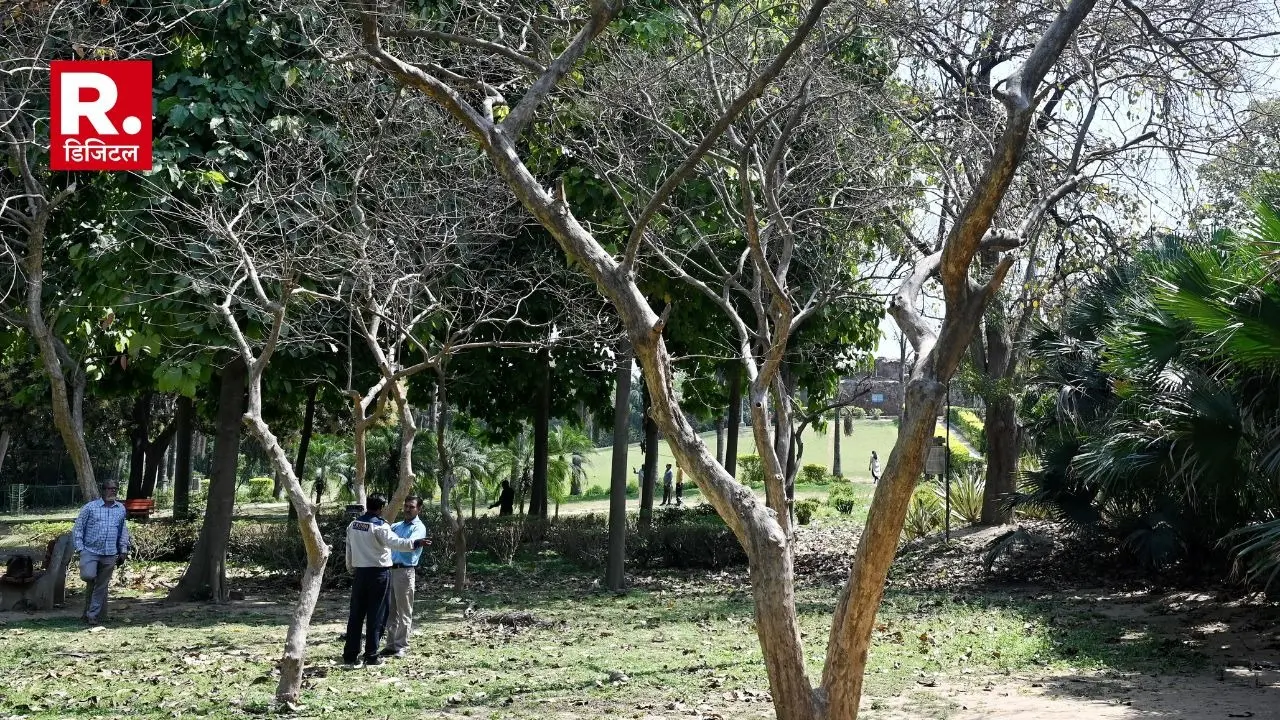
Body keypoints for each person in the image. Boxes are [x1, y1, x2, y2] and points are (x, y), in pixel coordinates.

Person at [343, 494, 428, 667]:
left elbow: (349, 549)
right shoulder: (381, 527)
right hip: (379, 574)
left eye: (410, 506)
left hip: (361, 574)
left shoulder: (353, 525)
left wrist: (351, 568)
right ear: (381, 508)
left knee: (356, 615)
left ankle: (351, 655)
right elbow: (396, 543)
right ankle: (371, 655)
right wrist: (416, 543)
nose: (406, 509)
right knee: (377, 615)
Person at [72, 480, 130, 625]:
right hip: (90, 551)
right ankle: (90, 610)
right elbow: (78, 528)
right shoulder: (90, 508)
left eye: (115, 489)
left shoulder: (120, 509)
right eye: (109, 488)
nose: (113, 491)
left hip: (110, 553)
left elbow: (123, 530)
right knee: (88, 575)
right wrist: (80, 548)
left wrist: (123, 550)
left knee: (102, 586)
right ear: (103, 490)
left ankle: (92, 614)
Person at [379, 496, 429, 658]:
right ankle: (391, 644)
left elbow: (410, 544)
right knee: (390, 610)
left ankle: (401, 645)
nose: (407, 509)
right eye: (406, 506)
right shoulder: (397, 526)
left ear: (419, 509)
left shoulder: (419, 528)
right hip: (390, 571)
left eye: (411, 507)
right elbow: (383, 534)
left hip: (405, 572)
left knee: (404, 611)